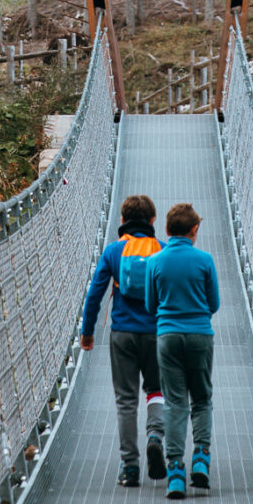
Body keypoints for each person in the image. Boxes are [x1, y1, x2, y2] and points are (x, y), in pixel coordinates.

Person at [80, 193, 167, 486]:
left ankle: (130, 467)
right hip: (157, 334)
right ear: (153, 221)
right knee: (156, 390)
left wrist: (88, 332)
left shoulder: (114, 251)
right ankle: (155, 434)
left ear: (122, 221)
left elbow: (95, 295)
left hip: (122, 335)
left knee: (126, 400)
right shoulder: (163, 250)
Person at [145, 201, 220, 500]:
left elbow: (151, 306)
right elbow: (214, 304)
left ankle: (175, 473)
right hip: (200, 335)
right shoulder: (205, 260)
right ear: (195, 230)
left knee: (175, 402)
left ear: (166, 230)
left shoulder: (155, 261)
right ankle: (201, 457)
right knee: (201, 398)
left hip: (168, 336)